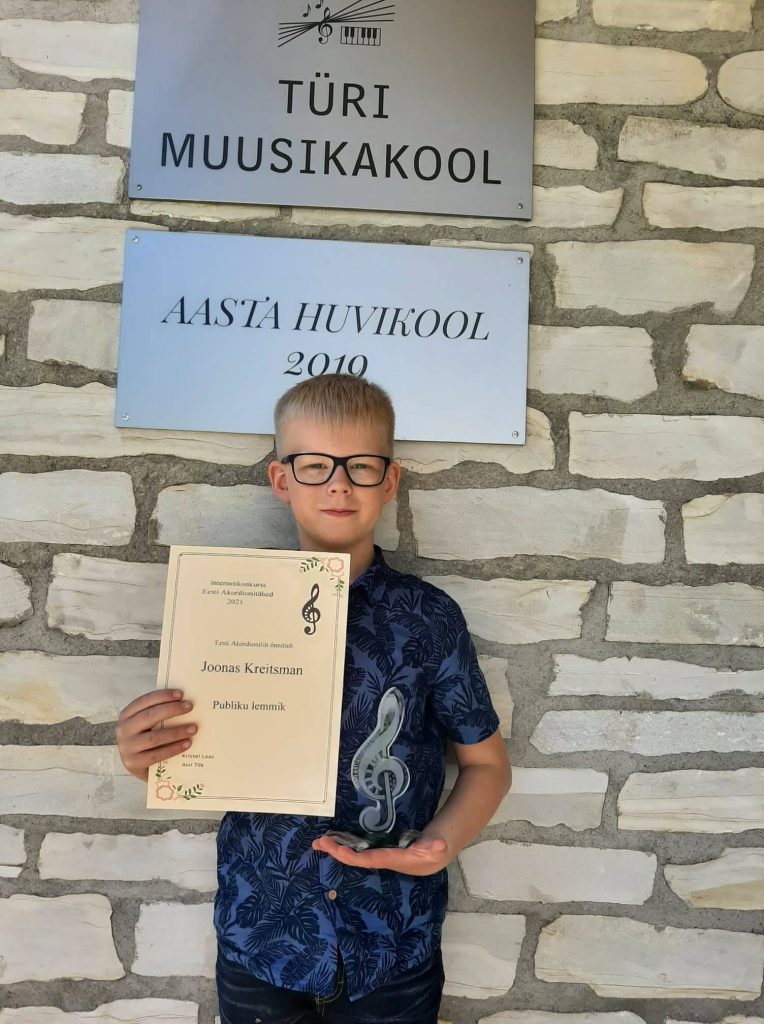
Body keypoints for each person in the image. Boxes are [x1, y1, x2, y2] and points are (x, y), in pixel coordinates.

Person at [116, 374, 512, 1023]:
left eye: (361, 466)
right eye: (314, 465)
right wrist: (149, 759)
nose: (338, 484)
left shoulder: (429, 618)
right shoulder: (225, 607)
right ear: (281, 480)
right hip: (262, 937)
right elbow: (197, 751)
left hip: (393, 938)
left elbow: (486, 764)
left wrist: (441, 843)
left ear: (390, 480)